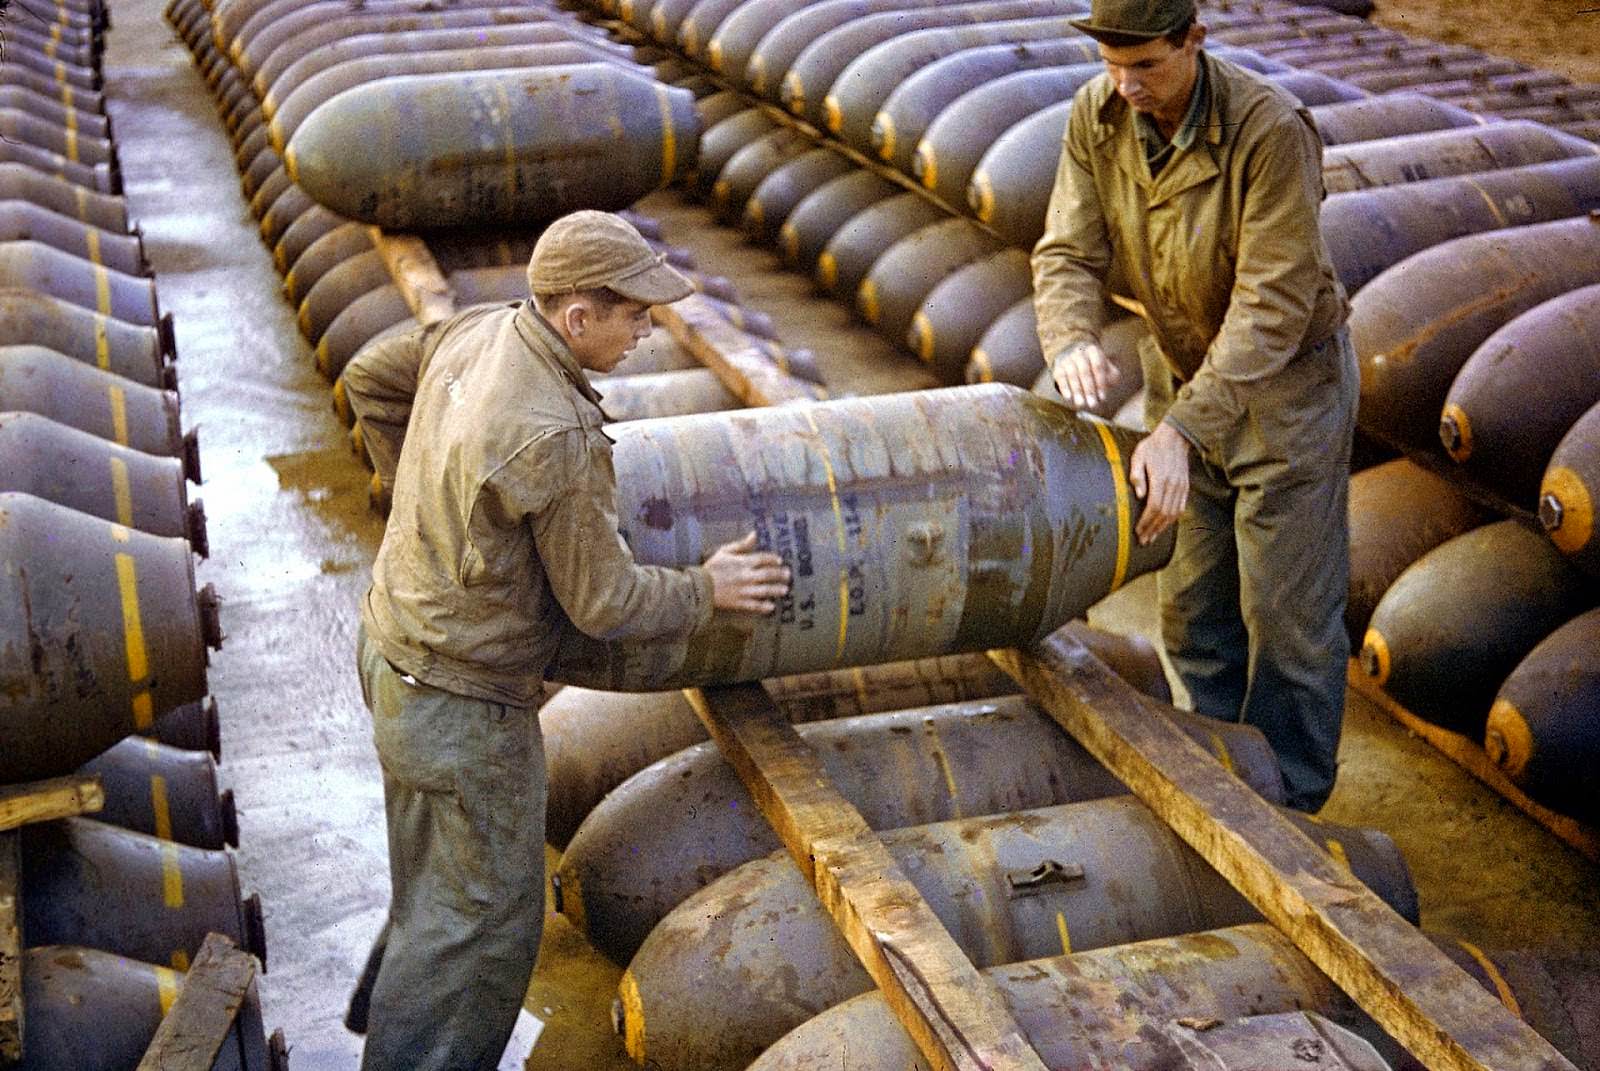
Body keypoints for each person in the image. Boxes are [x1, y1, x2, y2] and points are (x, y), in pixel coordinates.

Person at [339, 210, 792, 1070]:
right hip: (462, 709)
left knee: (433, 883)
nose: (647, 332)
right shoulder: (557, 432)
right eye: (635, 315)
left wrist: (419, 505)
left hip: (393, 651)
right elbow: (605, 601)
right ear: (578, 317)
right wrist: (707, 588)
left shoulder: (476, 331)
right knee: (485, 928)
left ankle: (387, 1027)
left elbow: (371, 377)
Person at [1031, 0, 1357, 811]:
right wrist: (1070, 337)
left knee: (1287, 618)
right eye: (1110, 65)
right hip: (1182, 371)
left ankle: (1291, 807)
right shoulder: (1097, 113)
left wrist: (1178, 429)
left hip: (1286, 393)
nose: (1125, 86)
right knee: (1191, 602)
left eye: (1145, 65)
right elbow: (1067, 250)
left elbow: (1274, 303)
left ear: (1195, 42)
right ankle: (1221, 775)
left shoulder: (1271, 131)